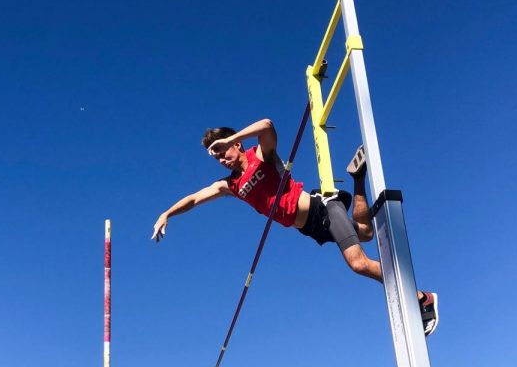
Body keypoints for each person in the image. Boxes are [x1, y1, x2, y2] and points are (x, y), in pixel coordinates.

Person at [151, 118, 439, 335]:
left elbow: (267, 125)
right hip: (310, 228)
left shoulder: (261, 156)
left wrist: (231, 138)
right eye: (216, 158)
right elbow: (194, 198)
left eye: (222, 152)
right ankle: (357, 180)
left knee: (358, 263)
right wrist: (167, 213)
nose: (221, 159)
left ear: (236, 144)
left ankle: (422, 299)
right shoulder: (230, 185)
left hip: (321, 208)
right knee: (364, 233)